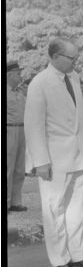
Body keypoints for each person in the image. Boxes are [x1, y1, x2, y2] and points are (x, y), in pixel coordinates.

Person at [24, 38, 83, 267]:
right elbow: (33, 125)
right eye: (71, 58)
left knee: (77, 208)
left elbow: (80, 120)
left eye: (76, 58)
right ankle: (59, 259)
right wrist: (40, 161)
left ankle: (78, 254)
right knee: (54, 208)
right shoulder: (40, 83)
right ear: (55, 57)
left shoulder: (74, 79)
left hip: (79, 156)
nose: (75, 63)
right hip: (54, 158)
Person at [6, 60, 27, 212]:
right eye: (18, 74)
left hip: (21, 130)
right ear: (10, 75)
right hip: (8, 131)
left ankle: (15, 201)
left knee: (20, 168)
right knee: (7, 167)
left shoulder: (21, 92)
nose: (20, 77)